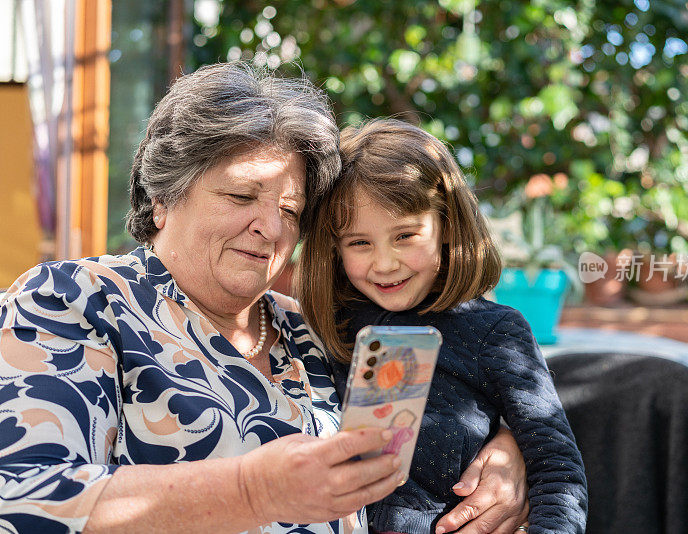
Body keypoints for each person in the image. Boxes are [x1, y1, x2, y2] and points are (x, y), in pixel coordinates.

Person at [0, 63, 528, 534]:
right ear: (162, 198)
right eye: (240, 195)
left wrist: (507, 450)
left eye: (292, 209)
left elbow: (453, 399)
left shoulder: (316, 327)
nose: (271, 227)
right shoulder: (74, 298)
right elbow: (22, 499)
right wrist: (256, 492)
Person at [297, 118, 589, 533]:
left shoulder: (496, 332)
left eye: (405, 235)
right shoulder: (326, 326)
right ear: (333, 247)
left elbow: (556, 467)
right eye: (359, 243)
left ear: (447, 225)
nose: (384, 263)